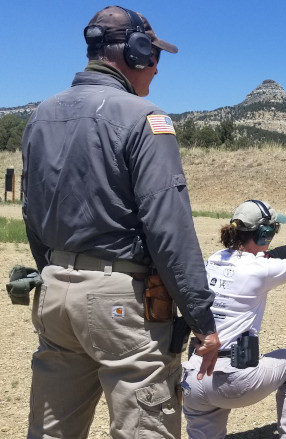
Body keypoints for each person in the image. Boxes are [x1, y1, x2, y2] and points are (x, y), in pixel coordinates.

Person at [20, 6, 220, 439]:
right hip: (120, 301)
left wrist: (54, 269)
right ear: (138, 50)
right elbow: (169, 229)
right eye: (155, 56)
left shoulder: (39, 117)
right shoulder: (145, 118)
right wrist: (202, 319)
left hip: (55, 291)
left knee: (51, 430)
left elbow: (31, 213)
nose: (156, 68)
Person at [181, 200, 286, 439]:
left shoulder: (215, 258)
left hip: (193, 379)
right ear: (264, 233)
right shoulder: (258, 269)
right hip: (234, 381)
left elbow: (274, 255)